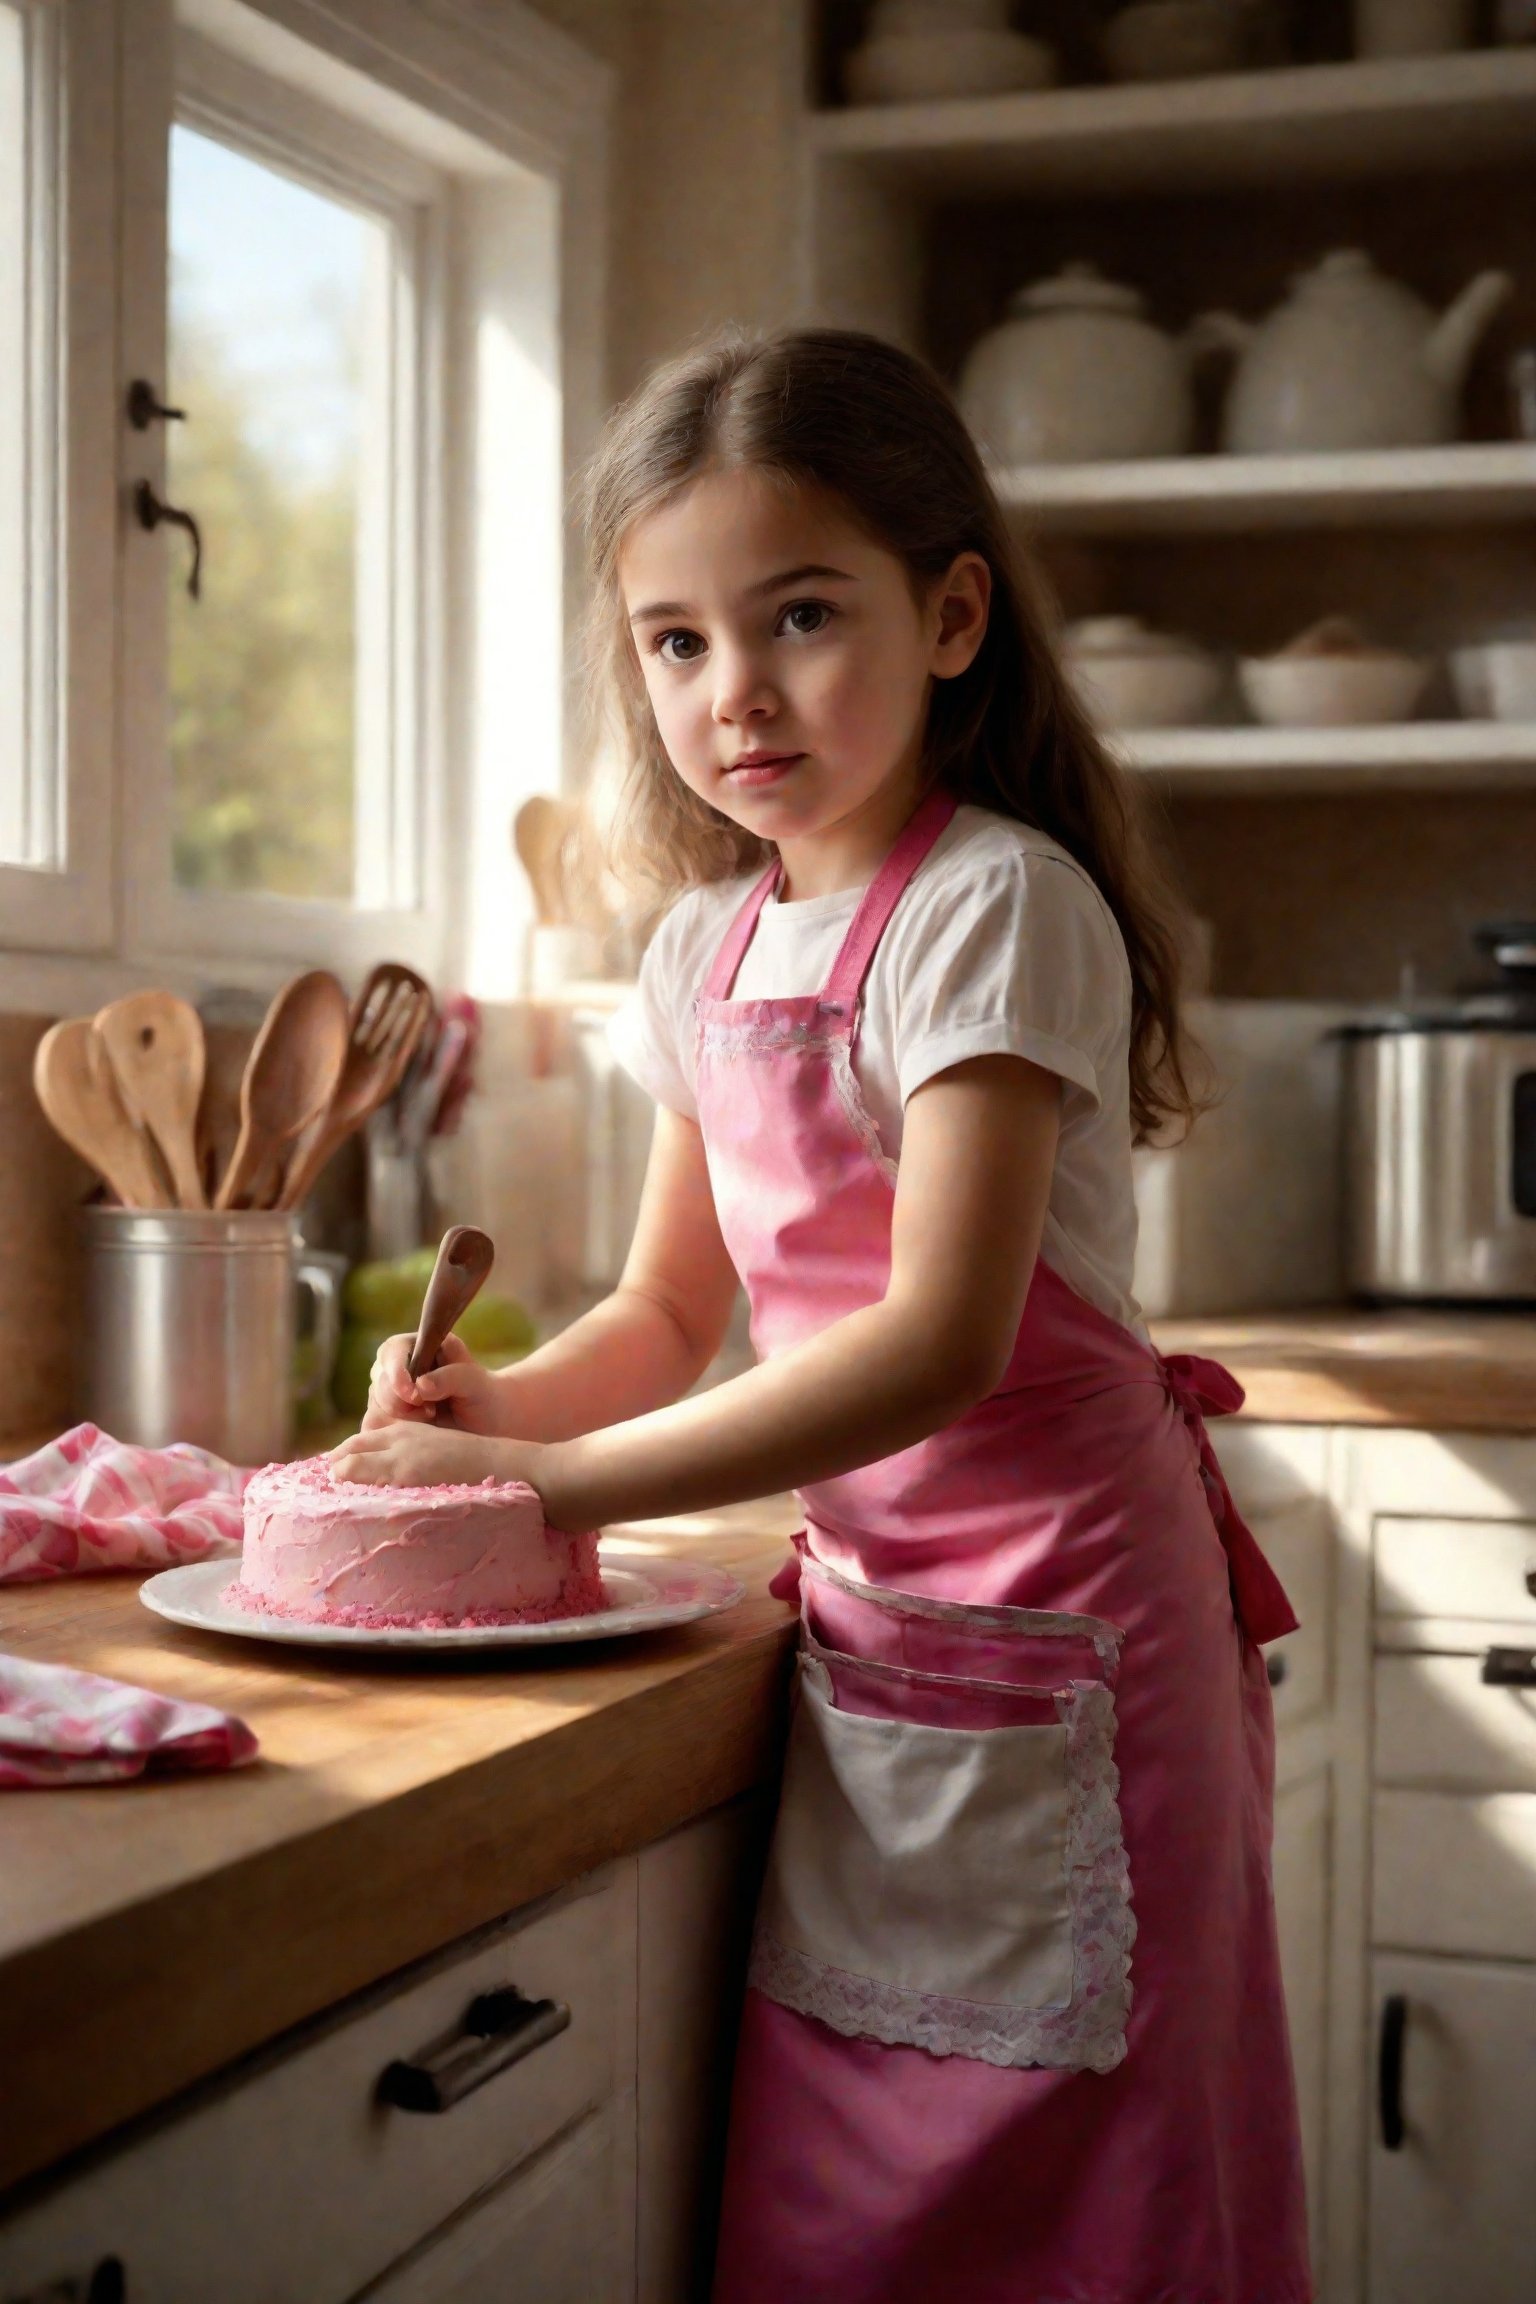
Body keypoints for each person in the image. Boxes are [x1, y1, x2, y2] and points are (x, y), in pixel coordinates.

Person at [335, 328, 1310, 2304]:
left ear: (952, 615)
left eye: (798, 616)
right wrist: (497, 1412)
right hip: (891, 1649)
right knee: (857, 2216)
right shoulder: (700, 946)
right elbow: (670, 1306)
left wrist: (557, 1489)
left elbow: (940, 1338)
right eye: (675, 641)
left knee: (1089, 2215)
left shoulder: (997, 905)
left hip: (1077, 1637)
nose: (735, 691)